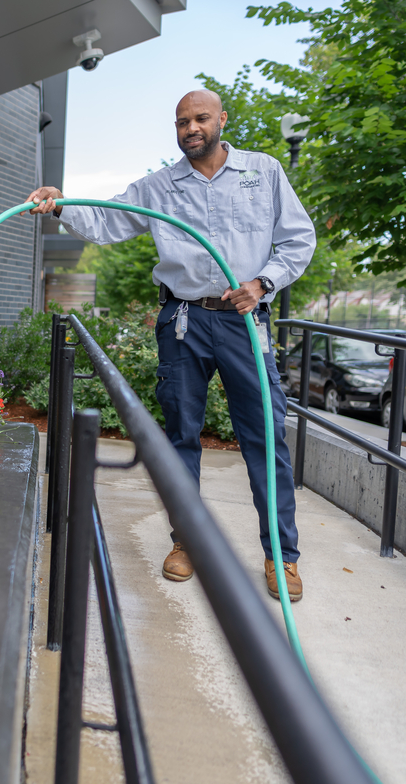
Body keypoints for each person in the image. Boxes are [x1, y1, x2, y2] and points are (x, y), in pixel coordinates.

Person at [23, 90, 316, 602]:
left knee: (265, 438)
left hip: (245, 319)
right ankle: (187, 543)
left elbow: (298, 239)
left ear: (222, 120)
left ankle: (281, 557)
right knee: (181, 434)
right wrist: (60, 204)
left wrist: (263, 283)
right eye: (182, 122)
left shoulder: (262, 172)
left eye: (201, 118)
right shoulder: (160, 186)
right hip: (183, 319)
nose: (191, 129)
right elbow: (106, 220)